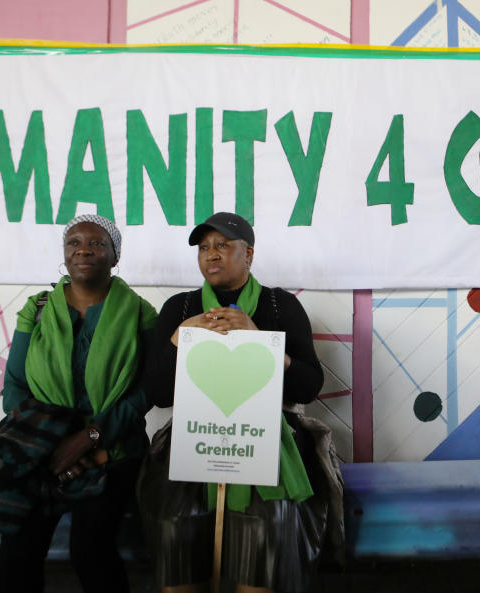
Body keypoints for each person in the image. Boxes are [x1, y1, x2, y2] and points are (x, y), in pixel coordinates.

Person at [138, 212, 344, 593]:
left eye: (222, 245)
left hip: (267, 436)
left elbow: (308, 386)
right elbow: (157, 393)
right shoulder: (180, 309)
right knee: (175, 525)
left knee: (265, 528)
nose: (211, 255)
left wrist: (259, 341)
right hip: (194, 434)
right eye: (203, 248)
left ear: (248, 254)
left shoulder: (280, 306)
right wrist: (177, 340)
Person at [0, 214, 157, 593]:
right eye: (74, 243)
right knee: (18, 553)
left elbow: (148, 389)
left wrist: (89, 439)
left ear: (114, 256)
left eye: (97, 243)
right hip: (40, 451)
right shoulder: (36, 309)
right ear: (64, 255)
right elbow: (15, 387)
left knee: (91, 551)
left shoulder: (140, 313)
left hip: (111, 453)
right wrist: (56, 446)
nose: (84, 249)